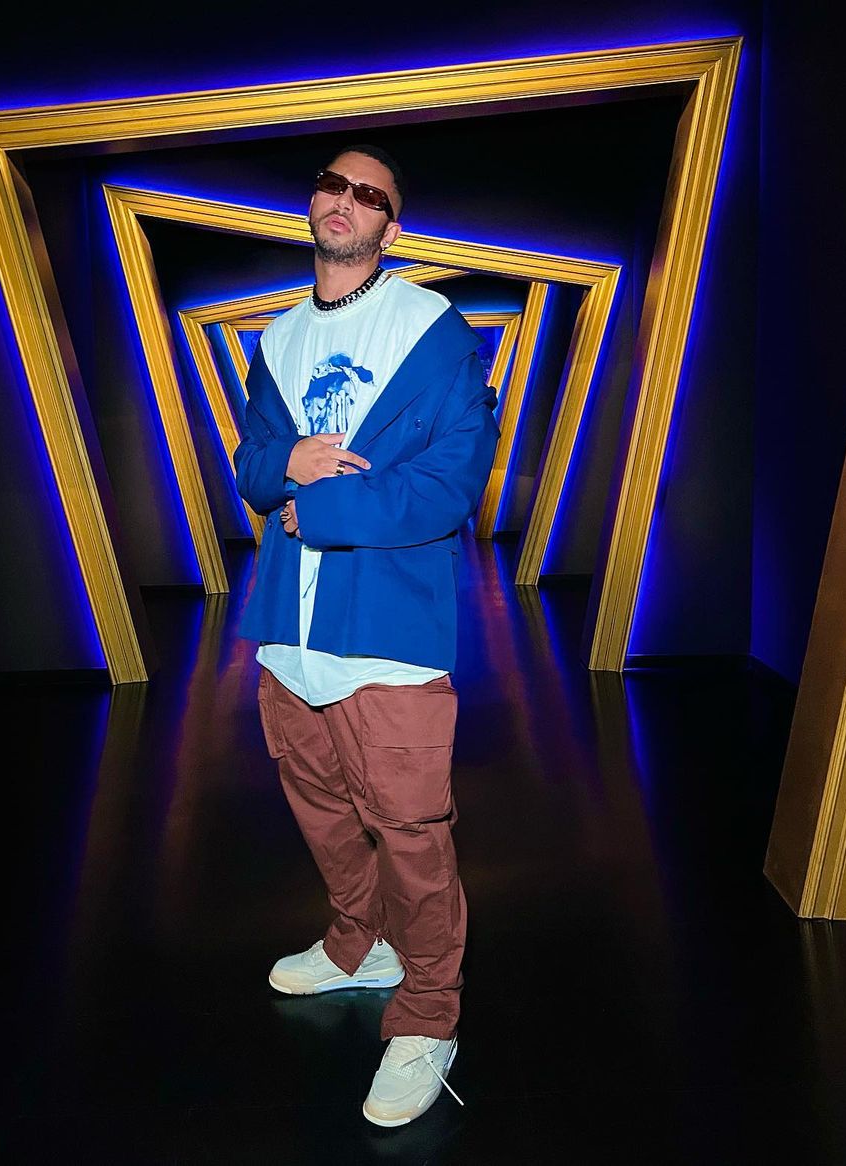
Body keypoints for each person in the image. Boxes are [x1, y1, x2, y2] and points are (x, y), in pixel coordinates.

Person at [233, 143, 499, 1128]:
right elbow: (250, 463)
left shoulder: (433, 330)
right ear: (314, 204)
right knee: (322, 809)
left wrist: (319, 506)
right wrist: (285, 463)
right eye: (331, 183)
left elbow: (451, 482)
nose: (344, 199)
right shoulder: (277, 337)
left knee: (411, 832)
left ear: (390, 223)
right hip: (288, 633)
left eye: (368, 193)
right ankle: (360, 943)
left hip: (388, 632)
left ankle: (429, 1011)